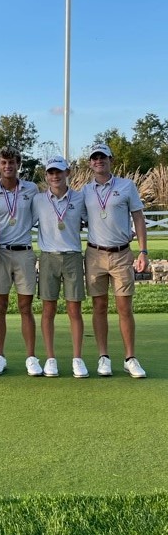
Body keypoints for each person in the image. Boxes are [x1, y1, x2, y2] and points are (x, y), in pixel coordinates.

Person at [83, 143, 148, 378]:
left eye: (103, 157)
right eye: (95, 158)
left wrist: (143, 251)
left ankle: (130, 358)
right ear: (90, 163)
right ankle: (103, 357)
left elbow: (138, 218)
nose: (99, 161)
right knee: (99, 307)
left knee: (124, 307)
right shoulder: (85, 192)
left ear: (111, 159)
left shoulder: (126, 186)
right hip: (94, 255)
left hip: (122, 254)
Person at [0, 145, 43, 376]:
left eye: (12, 162)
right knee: (0, 306)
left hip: (24, 252)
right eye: (3, 163)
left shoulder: (32, 189)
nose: (8, 166)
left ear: (18, 164)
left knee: (26, 307)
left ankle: (31, 357)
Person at [32, 156, 89, 378]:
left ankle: (77, 359)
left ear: (68, 173)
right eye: (51, 173)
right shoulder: (38, 200)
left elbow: (94, 220)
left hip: (73, 256)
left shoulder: (80, 198)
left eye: (59, 172)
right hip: (48, 257)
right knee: (49, 309)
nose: (55, 176)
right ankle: (51, 359)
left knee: (74, 309)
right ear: (46, 176)